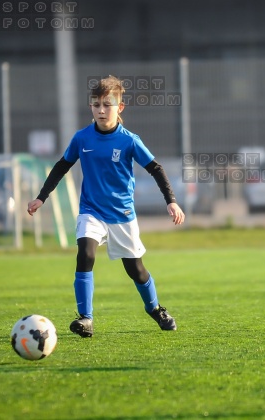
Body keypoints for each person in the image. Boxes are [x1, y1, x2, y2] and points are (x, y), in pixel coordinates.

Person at [27, 75, 185, 338]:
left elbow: (156, 169)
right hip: (91, 211)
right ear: (91, 106)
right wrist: (41, 197)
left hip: (122, 215)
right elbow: (62, 166)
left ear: (119, 108)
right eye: (96, 104)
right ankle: (86, 318)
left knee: (136, 270)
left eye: (107, 105)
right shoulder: (82, 138)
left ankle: (155, 308)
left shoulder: (129, 140)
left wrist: (172, 201)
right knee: (85, 253)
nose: (101, 110)